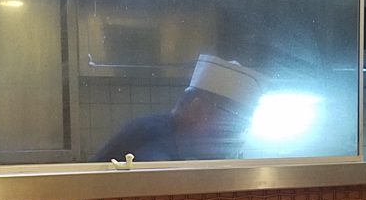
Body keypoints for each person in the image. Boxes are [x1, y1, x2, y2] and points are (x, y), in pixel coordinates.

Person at [93, 54, 262, 162]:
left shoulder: (179, 142)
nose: (231, 142)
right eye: (227, 130)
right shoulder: (153, 137)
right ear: (197, 109)